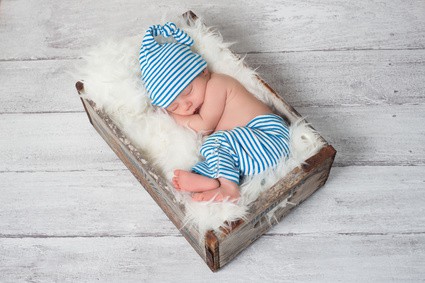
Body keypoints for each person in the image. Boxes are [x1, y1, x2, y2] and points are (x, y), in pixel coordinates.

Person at [139, 22, 290, 202]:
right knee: (210, 159)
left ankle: (229, 188)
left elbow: (205, 126)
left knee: (213, 143)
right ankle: (211, 182)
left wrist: (172, 115)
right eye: (174, 106)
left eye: (187, 92)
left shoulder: (217, 84)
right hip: (248, 154)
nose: (185, 106)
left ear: (203, 71)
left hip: (268, 137)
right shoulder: (200, 98)